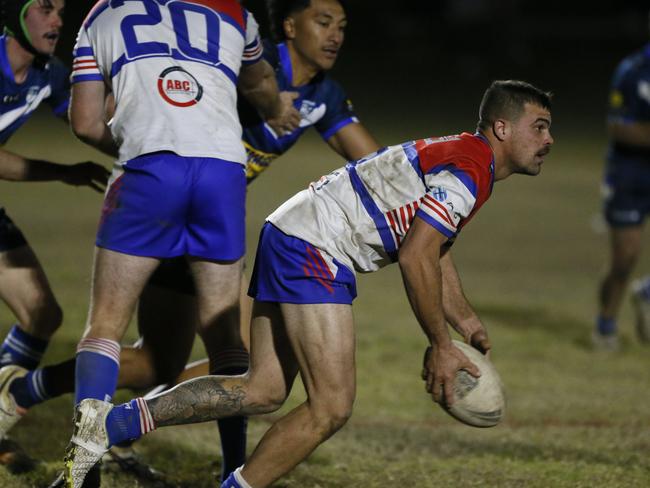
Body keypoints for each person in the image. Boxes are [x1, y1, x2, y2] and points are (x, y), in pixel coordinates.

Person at [62, 79, 554, 488]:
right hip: (315, 246)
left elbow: (433, 248)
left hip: (293, 231)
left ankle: (109, 423)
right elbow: (417, 253)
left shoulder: (466, 157)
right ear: (502, 128)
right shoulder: (471, 167)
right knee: (331, 406)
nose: (548, 140)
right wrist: (440, 345)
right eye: (539, 127)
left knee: (263, 389)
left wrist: (465, 321)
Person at [0, 0, 380, 483]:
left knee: (165, 361)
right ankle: (35, 398)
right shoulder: (246, 54)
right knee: (180, 358)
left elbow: (374, 163)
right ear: (288, 26)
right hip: (206, 196)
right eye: (323, 22)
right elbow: (217, 92)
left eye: (343, 26)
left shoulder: (323, 93)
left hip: (181, 197)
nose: (335, 36)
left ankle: (69, 420)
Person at [0, 0, 108, 418]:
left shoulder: (50, 74)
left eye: (61, 10)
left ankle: (2, 414)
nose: (58, 20)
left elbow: (96, 121)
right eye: (45, 8)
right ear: (14, 15)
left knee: (41, 314)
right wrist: (62, 172)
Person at [593, 11, 650, 351]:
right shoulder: (632, 71)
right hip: (630, 174)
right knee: (625, 258)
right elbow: (619, 127)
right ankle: (606, 324)